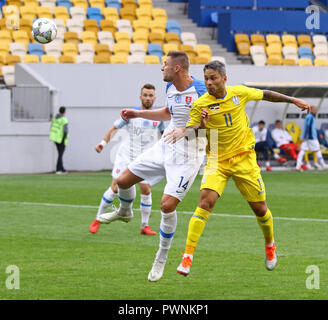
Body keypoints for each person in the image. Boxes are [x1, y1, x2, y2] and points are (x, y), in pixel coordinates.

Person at [163, 61, 310, 277]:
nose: (209, 83)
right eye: (206, 79)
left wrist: (293, 100)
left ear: (224, 78)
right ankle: (187, 256)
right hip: (217, 161)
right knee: (205, 202)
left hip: (244, 159)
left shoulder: (238, 93)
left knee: (260, 209)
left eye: (213, 78)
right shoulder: (200, 104)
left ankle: (270, 245)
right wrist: (199, 127)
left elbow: (265, 94)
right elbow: (193, 129)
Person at [96, 51, 207, 282]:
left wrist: (187, 130)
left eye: (165, 64)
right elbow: (168, 113)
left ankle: (161, 256)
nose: (161, 68)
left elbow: (211, 123)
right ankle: (125, 212)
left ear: (177, 68)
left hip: (188, 155)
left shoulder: (200, 90)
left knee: (166, 205)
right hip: (166, 145)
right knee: (123, 181)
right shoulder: (170, 88)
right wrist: (137, 113)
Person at [89, 84, 164, 235]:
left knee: (146, 189)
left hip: (143, 159)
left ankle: (144, 226)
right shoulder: (131, 113)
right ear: (140, 97)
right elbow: (114, 128)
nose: (148, 98)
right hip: (125, 157)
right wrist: (103, 143)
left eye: (150, 95)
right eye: (145, 95)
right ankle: (97, 219)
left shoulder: (158, 117)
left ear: (154, 98)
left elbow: (163, 137)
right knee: (116, 187)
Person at [296, 105, 328, 171]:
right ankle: (323, 165)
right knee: (317, 150)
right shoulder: (310, 117)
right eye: (315, 109)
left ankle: (297, 166)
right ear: (311, 110)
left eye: (316, 109)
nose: (316, 111)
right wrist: (305, 137)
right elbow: (308, 127)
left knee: (302, 151)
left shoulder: (310, 117)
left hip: (308, 137)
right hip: (311, 137)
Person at [49, 106, 68, 174]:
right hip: (61, 138)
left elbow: (52, 128)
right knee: (60, 154)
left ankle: (62, 169)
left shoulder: (55, 119)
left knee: (60, 153)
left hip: (55, 138)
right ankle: (58, 169)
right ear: (64, 111)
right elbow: (65, 131)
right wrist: (65, 138)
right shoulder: (64, 119)